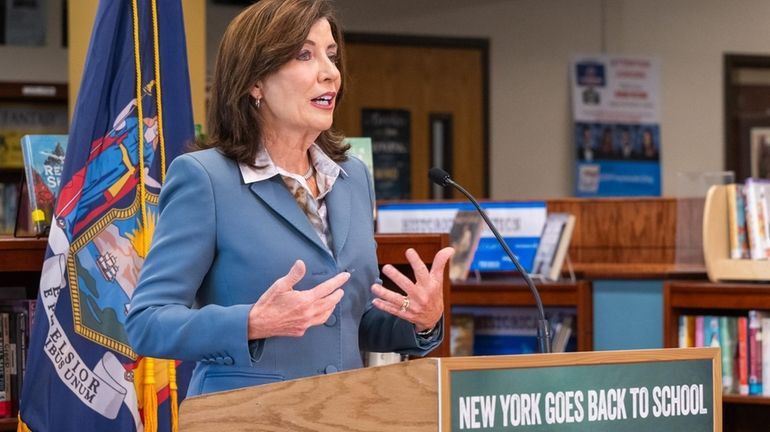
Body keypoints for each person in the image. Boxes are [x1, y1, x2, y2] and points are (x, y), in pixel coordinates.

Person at [126, 0, 453, 397]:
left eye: (331, 56)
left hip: (342, 415)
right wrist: (252, 322)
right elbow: (146, 322)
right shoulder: (206, 179)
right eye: (305, 55)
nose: (331, 73)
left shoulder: (352, 179)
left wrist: (421, 320)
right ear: (255, 82)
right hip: (245, 415)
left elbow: (352, 324)